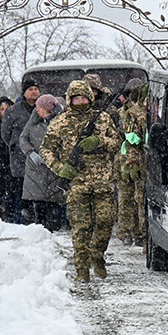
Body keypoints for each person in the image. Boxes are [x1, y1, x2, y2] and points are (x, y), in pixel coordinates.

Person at [41, 80, 121, 282]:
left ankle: (97, 254)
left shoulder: (102, 119)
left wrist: (99, 141)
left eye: (84, 97)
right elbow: (46, 149)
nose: (80, 101)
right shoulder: (60, 122)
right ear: (70, 99)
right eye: (76, 98)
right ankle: (82, 269)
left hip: (103, 181)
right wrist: (60, 168)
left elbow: (118, 143)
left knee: (105, 221)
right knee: (80, 228)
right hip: (77, 184)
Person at [19, 94, 67, 231]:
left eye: (40, 108)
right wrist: (30, 152)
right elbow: (23, 138)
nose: (37, 110)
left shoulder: (61, 123)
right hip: (35, 169)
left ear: (48, 109)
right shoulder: (32, 122)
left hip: (53, 168)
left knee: (54, 204)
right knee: (38, 205)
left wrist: (54, 158)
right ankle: (41, 232)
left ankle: (53, 230)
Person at [2, 77, 41, 224]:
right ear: (24, 92)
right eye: (30, 89)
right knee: (21, 190)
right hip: (20, 157)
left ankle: (39, 220)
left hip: (39, 156)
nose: (34, 92)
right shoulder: (13, 111)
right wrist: (15, 146)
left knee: (38, 190)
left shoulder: (43, 108)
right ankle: (21, 220)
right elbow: (5, 134)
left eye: (36, 89)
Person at [116, 79, 148, 247]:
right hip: (127, 158)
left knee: (139, 198)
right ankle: (128, 231)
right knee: (127, 198)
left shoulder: (141, 111)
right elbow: (130, 138)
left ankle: (140, 233)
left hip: (137, 158)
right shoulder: (127, 112)